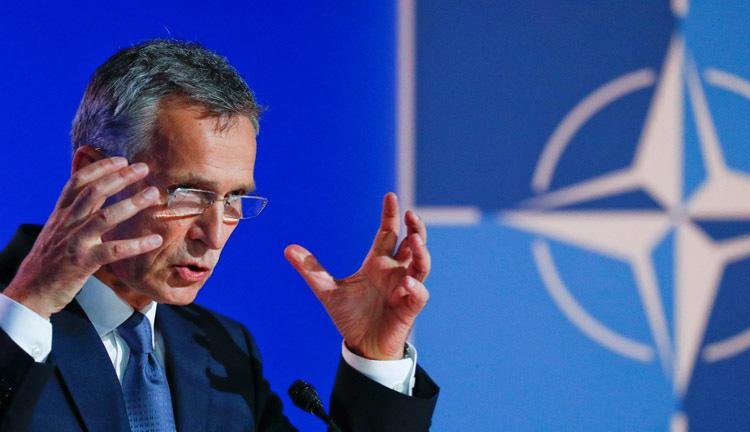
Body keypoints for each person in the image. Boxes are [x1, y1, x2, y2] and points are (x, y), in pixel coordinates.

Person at [0, 40, 438, 431]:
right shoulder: (13, 323)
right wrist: (31, 301)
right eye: (189, 193)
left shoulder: (220, 351)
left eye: (234, 199)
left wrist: (375, 356)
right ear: (93, 173)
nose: (213, 235)